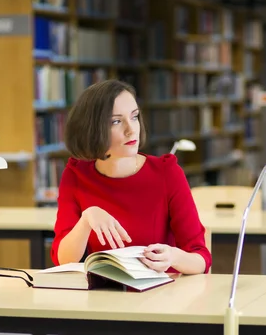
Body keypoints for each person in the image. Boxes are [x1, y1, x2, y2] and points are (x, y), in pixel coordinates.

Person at [51, 79, 212, 274]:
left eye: (134, 117)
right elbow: (63, 260)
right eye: (116, 121)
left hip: (160, 295)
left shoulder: (166, 172)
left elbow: (200, 258)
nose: (131, 129)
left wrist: (173, 256)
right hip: (103, 294)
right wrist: (86, 221)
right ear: (92, 129)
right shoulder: (76, 174)